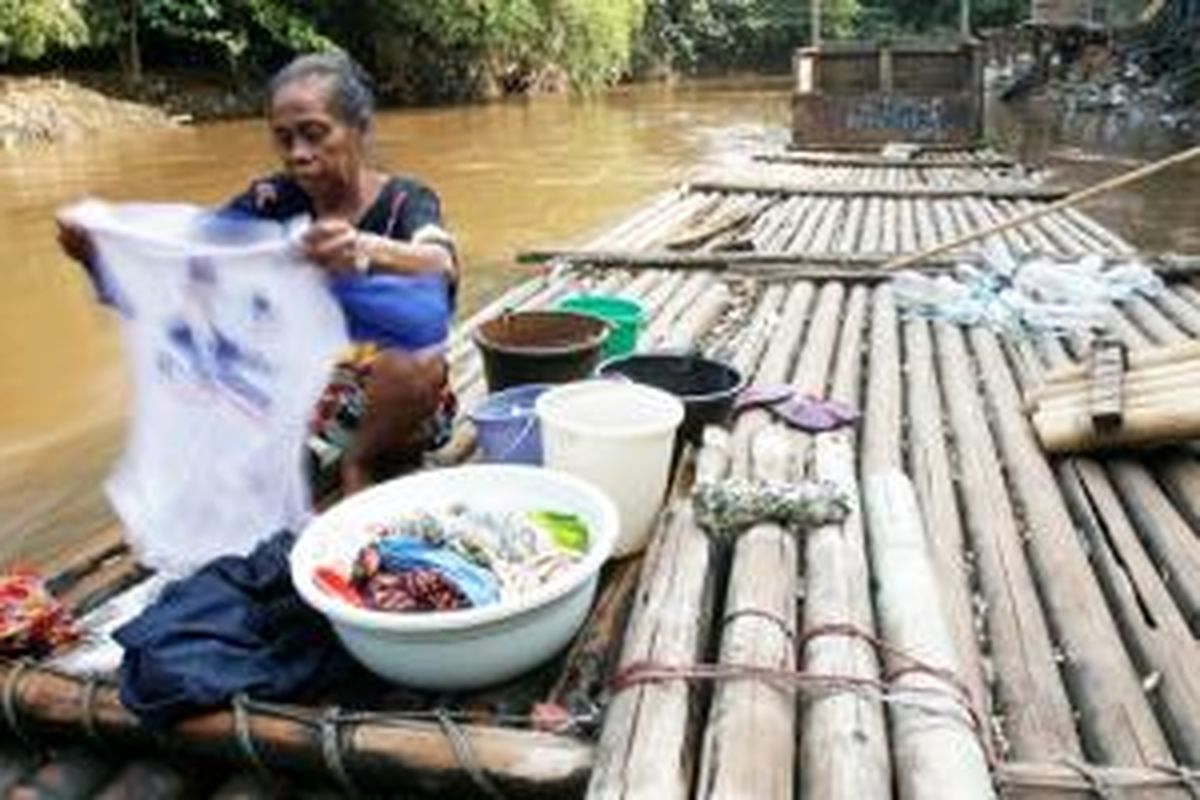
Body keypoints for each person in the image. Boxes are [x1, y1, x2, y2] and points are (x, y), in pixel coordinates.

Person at [58, 52, 459, 495]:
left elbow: (440, 261)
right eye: (284, 139)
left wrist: (365, 248)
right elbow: (192, 252)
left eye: (314, 134)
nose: (298, 155)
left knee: (418, 361)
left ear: (358, 131)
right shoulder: (272, 201)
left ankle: (358, 462)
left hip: (394, 400)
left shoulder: (406, 200)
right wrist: (100, 251)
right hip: (305, 388)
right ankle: (288, 453)